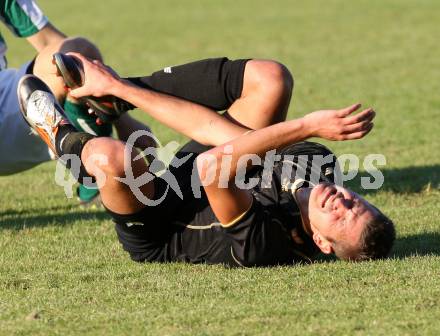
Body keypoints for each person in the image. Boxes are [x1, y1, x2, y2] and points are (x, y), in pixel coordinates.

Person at [18, 53, 395, 266]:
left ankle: (62, 137)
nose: (343, 200)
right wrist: (120, 87)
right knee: (271, 79)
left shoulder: (272, 245)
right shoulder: (320, 166)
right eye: (357, 202)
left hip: (163, 221)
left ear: (321, 242)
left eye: (342, 217)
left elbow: (215, 168)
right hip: (201, 171)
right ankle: (117, 99)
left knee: (111, 158)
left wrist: (305, 125)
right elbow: (219, 137)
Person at [0, 0, 143, 206]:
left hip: (7, 113)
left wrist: (123, 120)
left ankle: (93, 178)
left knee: (75, 54)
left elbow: (54, 45)